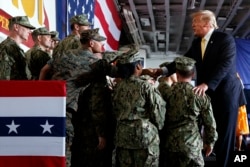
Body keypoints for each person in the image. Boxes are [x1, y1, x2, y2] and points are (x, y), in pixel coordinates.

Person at [148, 10, 243, 167]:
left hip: (226, 95)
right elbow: (182, 61)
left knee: (224, 138)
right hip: (206, 94)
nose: (192, 25)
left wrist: (207, 84)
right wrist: (161, 71)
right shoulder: (196, 43)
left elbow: (224, 65)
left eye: (195, 22)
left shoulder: (225, 39)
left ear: (207, 23)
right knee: (208, 133)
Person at [158, 56, 218, 167]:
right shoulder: (200, 95)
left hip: (171, 147)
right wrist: (210, 142)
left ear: (177, 73)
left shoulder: (166, 92)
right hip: (192, 147)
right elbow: (210, 123)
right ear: (193, 74)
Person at [111, 49, 166, 167]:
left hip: (123, 136)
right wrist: (159, 127)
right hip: (144, 136)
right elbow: (157, 112)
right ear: (138, 67)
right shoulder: (145, 86)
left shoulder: (117, 87)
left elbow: (114, 110)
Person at [39, 14, 91, 80]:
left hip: (57, 82)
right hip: (72, 83)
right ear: (77, 27)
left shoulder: (60, 43)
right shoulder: (79, 43)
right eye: (87, 26)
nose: (89, 29)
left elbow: (47, 68)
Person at [0, 16, 35, 80]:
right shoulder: (6, 47)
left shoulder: (15, 48)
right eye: (27, 27)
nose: (30, 31)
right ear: (16, 27)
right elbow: (3, 79)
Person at [235, 73, 249, 151]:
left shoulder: (234, 83)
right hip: (241, 107)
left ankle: (238, 148)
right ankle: (239, 149)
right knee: (239, 131)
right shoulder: (240, 82)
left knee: (236, 131)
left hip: (236, 107)